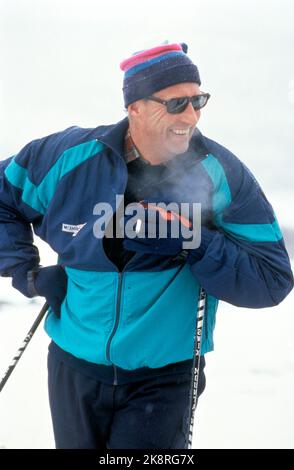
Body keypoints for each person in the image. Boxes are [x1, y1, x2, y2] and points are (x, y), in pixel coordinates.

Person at [0, 42, 293, 450]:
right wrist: (25, 271)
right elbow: (3, 201)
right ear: (134, 107)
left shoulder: (220, 173)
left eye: (198, 100)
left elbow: (272, 279)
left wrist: (195, 241)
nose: (191, 117)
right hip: (73, 367)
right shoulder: (67, 158)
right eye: (176, 104)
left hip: (165, 376)